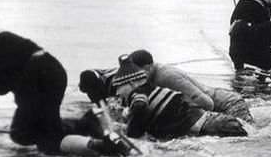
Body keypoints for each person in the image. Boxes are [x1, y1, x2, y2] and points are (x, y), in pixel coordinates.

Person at [0, 15, 131, 157]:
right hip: (51, 70)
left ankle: (102, 148)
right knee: (21, 134)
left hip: (35, 79)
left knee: (48, 143)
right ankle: (86, 124)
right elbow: (1, 85)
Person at [81, 54, 248, 140]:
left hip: (222, 113)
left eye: (118, 91)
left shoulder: (155, 83)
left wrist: (131, 132)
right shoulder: (135, 85)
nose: (116, 95)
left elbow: (206, 102)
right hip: (212, 119)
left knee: (251, 137)